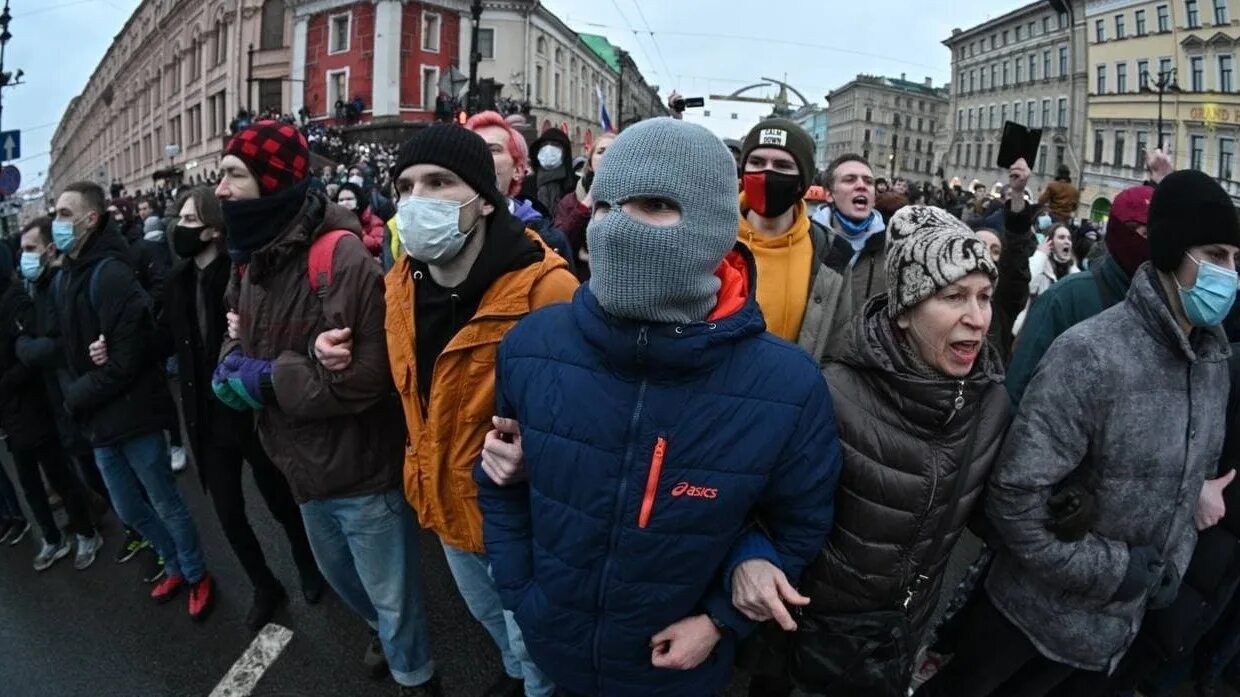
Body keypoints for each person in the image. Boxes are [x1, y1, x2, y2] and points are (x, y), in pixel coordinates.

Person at [475, 118, 841, 697]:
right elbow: (500, 474)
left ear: (715, 225)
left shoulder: (787, 385)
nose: (618, 226)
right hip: (556, 646)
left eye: (653, 204)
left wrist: (722, 620)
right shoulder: (531, 346)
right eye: (605, 203)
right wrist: (523, 592)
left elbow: (797, 525)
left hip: (679, 671)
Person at [916, 169, 1240, 697]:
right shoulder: (1091, 353)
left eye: (1236, 258)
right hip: (1025, 627)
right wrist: (1117, 571)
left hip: (1110, 643)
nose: (1230, 273)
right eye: (1216, 254)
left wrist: (1167, 570)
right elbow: (1014, 502)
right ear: (1171, 253)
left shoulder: (1211, 362)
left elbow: (1188, 485)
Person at [743, 205, 1008, 697]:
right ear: (905, 310)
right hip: (807, 643)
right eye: (954, 296)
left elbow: (989, 512)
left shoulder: (990, 401)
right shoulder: (833, 395)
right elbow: (761, 512)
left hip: (899, 641)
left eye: (985, 297)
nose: (977, 318)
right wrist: (752, 559)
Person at [211, 121, 437, 694]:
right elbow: (231, 343)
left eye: (233, 175)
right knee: (346, 583)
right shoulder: (247, 261)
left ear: (273, 180)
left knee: (394, 598)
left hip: (362, 472)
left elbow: (369, 375)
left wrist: (263, 380)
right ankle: (386, 637)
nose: (219, 189)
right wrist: (238, 367)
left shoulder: (340, 259)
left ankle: (416, 677)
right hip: (301, 470)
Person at [367, 123, 577, 697]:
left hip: (521, 520)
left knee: (535, 640)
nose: (417, 200)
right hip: (444, 504)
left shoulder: (546, 290)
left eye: (439, 181)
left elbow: (582, 422)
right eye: (405, 186)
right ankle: (516, 677)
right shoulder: (399, 284)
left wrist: (537, 458)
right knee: (492, 623)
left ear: (485, 197)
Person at [100, 186, 324, 630]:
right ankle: (264, 585)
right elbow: (162, 339)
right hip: (206, 417)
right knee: (227, 511)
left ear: (213, 230)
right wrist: (118, 345)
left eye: (187, 221)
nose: (176, 229)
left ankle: (308, 564)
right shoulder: (179, 280)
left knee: (279, 499)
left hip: (247, 408)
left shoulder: (240, 274)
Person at [53, 181, 212, 618]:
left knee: (165, 500)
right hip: (100, 421)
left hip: (134, 414)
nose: (57, 223)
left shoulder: (112, 273)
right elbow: (70, 346)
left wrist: (74, 396)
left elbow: (125, 360)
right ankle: (174, 563)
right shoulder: (71, 272)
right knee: (128, 507)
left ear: (91, 218)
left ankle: (196, 573)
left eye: (65, 214)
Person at [15, 217, 155, 569]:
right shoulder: (34, 289)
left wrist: (27, 346)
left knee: (130, 480)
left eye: (30, 249)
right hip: (66, 405)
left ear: (49, 250)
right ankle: (134, 531)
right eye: (21, 251)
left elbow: (63, 343)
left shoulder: (64, 284)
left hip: (86, 398)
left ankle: (153, 540)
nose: (24, 257)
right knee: (99, 477)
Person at [0, 243, 104, 571]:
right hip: (9, 411)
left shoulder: (15, 298)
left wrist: (6, 382)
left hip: (33, 403)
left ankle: (87, 532)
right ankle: (52, 538)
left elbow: (30, 353)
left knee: (58, 472)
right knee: (29, 481)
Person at [735, 118, 851, 363]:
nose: (767, 173)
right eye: (756, 162)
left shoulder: (832, 253)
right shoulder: (710, 235)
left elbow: (838, 348)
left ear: (803, 180)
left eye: (782, 165)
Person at [465, 110, 577, 278]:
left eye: (492, 150)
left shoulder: (549, 241)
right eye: (471, 148)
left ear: (517, 170)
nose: (478, 156)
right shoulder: (442, 234)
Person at [811, 154, 887, 317]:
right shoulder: (806, 240)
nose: (861, 186)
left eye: (868, 181)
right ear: (829, 194)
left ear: (874, 198)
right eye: (849, 180)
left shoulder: (892, 248)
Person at [553, 131, 616, 281]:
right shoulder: (571, 200)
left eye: (614, 151)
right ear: (590, 163)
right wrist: (585, 204)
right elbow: (558, 242)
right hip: (580, 281)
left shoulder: (635, 199)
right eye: (601, 151)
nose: (607, 156)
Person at [527, 127, 574, 216]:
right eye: (544, 144)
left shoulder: (575, 184)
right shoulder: (526, 183)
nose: (548, 149)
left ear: (565, 152)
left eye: (555, 144)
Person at [334, 182, 386, 257]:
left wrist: (358, 231)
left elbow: (378, 245)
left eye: (349, 199)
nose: (345, 203)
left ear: (358, 201)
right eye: (341, 200)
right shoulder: (334, 222)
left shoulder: (373, 221)